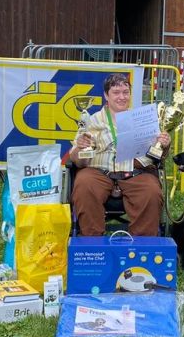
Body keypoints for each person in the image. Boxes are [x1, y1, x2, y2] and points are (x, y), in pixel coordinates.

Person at [68, 73, 170, 236]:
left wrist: (164, 144)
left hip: (136, 172)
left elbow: (157, 155)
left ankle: (142, 245)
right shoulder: (92, 121)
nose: (122, 97)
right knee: (84, 184)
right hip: (100, 172)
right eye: (116, 92)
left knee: (151, 191)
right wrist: (80, 148)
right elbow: (77, 161)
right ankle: (92, 242)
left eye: (125, 92)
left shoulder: (142, 120)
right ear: (106, 95)